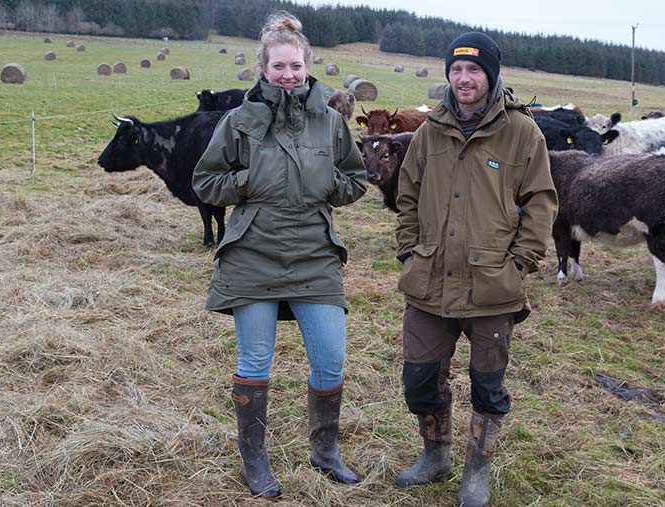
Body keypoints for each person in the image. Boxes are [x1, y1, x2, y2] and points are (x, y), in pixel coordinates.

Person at [191, 11, 367, 498]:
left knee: (331, 359)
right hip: (253, 253)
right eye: (278, 66)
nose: (287, 75)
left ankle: (325, 451)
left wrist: (327, 184)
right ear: (263, 68)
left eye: (295, 66)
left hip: (314, 252)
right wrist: (249, 181)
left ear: (308, 66)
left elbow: (356, 181)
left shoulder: (330, 120)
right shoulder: (240, 121)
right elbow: (204, 182)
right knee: (255, 362)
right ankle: (256, 459)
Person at [393, 32, 558, 507]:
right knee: (420, 379)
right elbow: (407, 196)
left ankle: (476, 470)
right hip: (429, 281)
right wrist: (410, 249)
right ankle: (435, 455)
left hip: (492, 287)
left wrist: (520, 262)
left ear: (491, 74)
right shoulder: (430, 132)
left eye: (474, 70)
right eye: (457, 70)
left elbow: (541, 203)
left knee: (488, 385)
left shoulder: (523, 133)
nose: (464, 79)